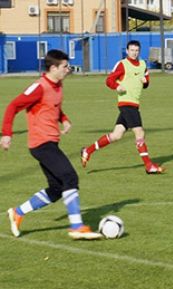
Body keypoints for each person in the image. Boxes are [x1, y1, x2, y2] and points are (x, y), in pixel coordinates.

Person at [1, 50, 102, 240]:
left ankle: (18, 212)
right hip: (41, 143)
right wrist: (7, 134)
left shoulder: (58, 85)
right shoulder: (39, 87)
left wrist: (64, 119)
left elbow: (53, 105)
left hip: (50, 143)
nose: (68, 69)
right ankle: (77, 226)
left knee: (56, 189)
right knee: (70, 177)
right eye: (65, 66)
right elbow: (13, 106)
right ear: (53, 68)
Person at [81, 40, 164, 174]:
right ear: (127, 51)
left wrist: (145, 82)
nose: (134, 52)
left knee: (116, 135)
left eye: (136, 50)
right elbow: (109, 80)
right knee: (139, 133)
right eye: (132, 50)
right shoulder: (122, 64)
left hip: (134, 104)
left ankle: (87, 150)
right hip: (126, 103)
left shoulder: (143, 65)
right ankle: (149, 166)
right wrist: (117, 86)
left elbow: (146, 81)